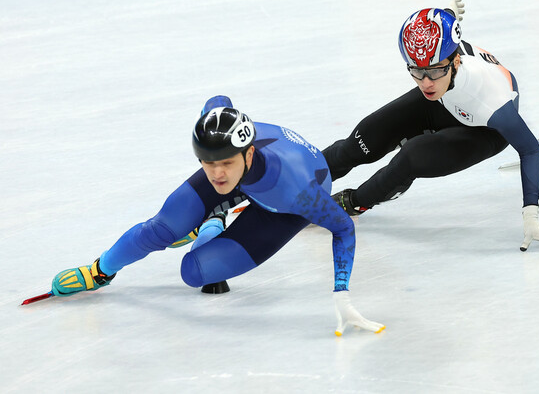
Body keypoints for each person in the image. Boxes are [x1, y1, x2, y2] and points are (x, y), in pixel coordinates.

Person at [49, 96, 384, 336]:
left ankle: (212, 224)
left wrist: (342, 294)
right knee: (161, 228)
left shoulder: (296, 191)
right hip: (253, 176)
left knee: (194, 272)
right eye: (208, 164)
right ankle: (101, 271)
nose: (217, 173)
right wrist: (218, 160)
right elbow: (217, 101)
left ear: (249, 152)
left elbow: (342, 229)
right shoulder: (223, 156)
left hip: (282, 207)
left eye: (225, 164)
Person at [322, 0, 539, 252]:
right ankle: (306, 173)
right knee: (361, 141)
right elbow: (436, 35)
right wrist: (446, 14)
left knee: (411, 157)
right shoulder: (437, 61)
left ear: (455, 61)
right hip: (445, 100)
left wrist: (531, 214)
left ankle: (355, 202)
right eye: (416, 72)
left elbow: (529, 150)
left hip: (483, 129)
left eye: (434, 71)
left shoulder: (492, 100)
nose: (426, 82)